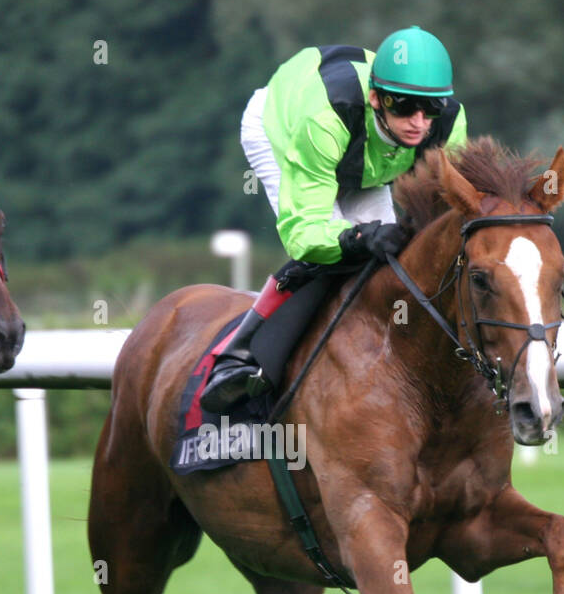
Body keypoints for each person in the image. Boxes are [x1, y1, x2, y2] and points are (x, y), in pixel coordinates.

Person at [201, 26, 469, 414]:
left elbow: (447, 221)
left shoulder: (449, 124)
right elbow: (304, 234)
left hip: (367, 158)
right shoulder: (325, 120)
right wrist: (358, 238)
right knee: (331, 258)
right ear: (376, 99)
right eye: (404, 106)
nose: (418, 121)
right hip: (284, 127)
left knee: (394, 259)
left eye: (430, 108)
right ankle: (240, 356)